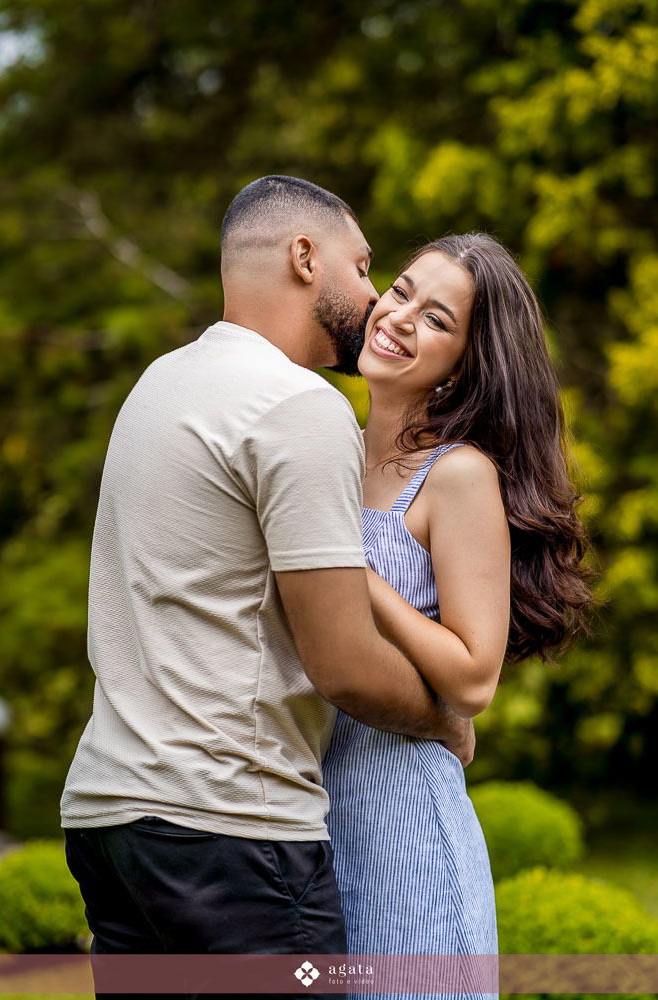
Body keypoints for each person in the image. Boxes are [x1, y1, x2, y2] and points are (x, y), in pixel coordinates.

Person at [60, 177, 474, 996]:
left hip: (110, 819)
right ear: (303, 256)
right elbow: (343, 661)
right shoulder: (298, 405)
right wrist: (444, 724)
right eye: (361, 269)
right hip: (232, 834)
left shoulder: (159, 384)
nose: (370, 294)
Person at [322, 233, 593, 999]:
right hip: (310, 823)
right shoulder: (328, 454)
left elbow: (473, 677)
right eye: (401, 290)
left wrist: (342, 569)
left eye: (436, 318)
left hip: (405, 832)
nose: (399, 317)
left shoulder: (456, 475)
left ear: (466, 363)